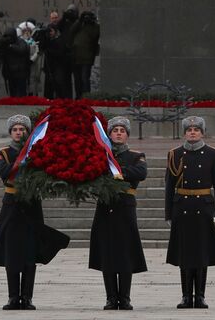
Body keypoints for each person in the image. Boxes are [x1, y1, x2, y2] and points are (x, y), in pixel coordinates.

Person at [0, 114, 71, 310]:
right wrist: (23, 161)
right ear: (10, 132)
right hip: (12, 206)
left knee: (30, 253)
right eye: (15, 129)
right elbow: (5, 173)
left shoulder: (38, 151)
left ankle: (27, 298)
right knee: (12, 253)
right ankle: (13, 298)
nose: (18, 132)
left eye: (22, 129)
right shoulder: (2, 153)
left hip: (31, 205)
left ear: (28, 132)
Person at [165, 116, 215, 309]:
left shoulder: (212, 154)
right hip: (182, 207)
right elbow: (169, 186)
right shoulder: (175, 154)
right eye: (189, 130)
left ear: (202, 133)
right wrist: (168, 213)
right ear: (184, 133)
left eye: (196, 130)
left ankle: (199, 296)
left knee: (201, 253)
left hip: (203, 207)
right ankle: (185, 296)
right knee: (184, 253)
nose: (192, 132)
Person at [90, 116, 148, 310]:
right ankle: (110, 297)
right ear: (109, 134)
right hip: (105, 207)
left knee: (125, 254)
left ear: (127, 135)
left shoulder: (136, 155)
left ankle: (124, 298)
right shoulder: (101, 155)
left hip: (125, 208)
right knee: (107, 254)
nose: (118, 134)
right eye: (115, 131)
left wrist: (117, 171)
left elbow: (141, 173)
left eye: (122, 131)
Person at [34, 11, 73, 100]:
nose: (50, 33)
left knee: (59, 83)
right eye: (53, 18)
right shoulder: (47, 39)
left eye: (56, 18)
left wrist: (50, 50)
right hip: (49, 66)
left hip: (58, 66)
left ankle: (60, 98)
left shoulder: (60, 39)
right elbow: (41, 48)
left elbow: (60, 52)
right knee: (48, 84)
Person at [2, 20, 37, 99]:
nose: (8, 39)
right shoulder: (6, 43)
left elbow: (22, 50)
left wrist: (10, 46)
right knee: (13, 93)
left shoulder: (21, 41)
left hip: (20, 72)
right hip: (11, 73)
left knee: (21, 94)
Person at [70, 10, 100, 99]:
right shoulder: (80, 24)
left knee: (85, 78)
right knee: (77, 79)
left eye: (88, 17)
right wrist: (80, 20)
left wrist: (91, 22)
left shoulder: (95, 26)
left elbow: (94, 36)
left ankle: (86, 97)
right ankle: (78, 97)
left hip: (87, 58)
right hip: (76, 56)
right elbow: (72, 30)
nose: (86, 19)